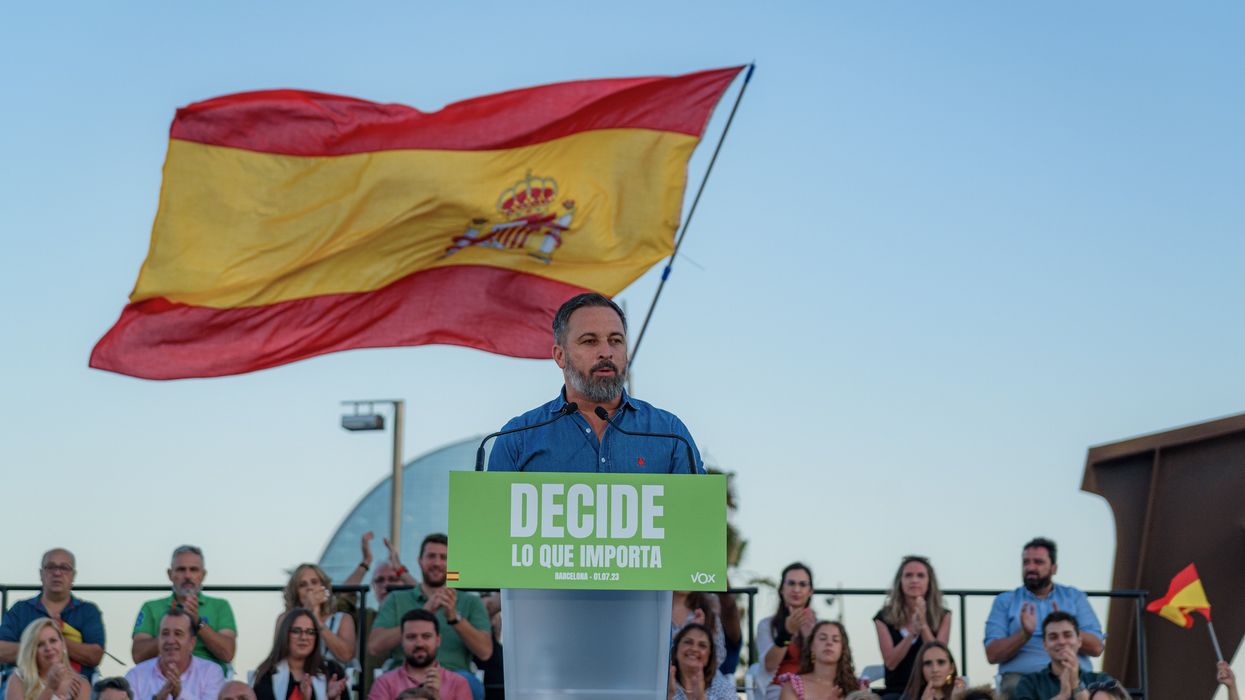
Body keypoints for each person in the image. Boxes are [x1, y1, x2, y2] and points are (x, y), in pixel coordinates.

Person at [487, 292, 703, 474]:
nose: (606, 353)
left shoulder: (670, 434)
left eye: (615, 341)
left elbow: (697, 517)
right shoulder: (517, 439)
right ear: (560, 356)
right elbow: (491, 521)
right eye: (590, 341)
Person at [368, 535, 489, 700]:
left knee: (467, 682)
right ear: (419, 561)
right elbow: (374, 646)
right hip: (404, 678)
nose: (437, 563)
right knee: (384, 683)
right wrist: (424, 613)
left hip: (453, 680)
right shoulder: (396, 599)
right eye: (431, 556)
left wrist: (455, 618)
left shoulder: (470, 602)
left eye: (444, 557)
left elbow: (485, 652)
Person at [983, 538, 1102, 698]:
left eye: (1038, 562)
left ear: (1054, 568)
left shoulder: (1074, 597)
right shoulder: (1005, 601)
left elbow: (1096, 647)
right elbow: (992, 655)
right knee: (1015, 689)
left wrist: (1066, 629)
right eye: (1026, 562)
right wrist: (1024, 634)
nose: (1030, 567)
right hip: (1021, 679)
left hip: (1072, 673)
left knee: (1102, 690)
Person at [0, 549, 105, 685]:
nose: (57, 573)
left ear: (73, 575)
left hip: (74, 687)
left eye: (64, 568)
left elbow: (94, 656)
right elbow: (2, 651)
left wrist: (54, 640)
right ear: (41, 574)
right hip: (24, 685)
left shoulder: (88, 611)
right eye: (50, 567)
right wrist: (42, 643)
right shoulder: (20, 610)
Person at [133, 546, 237, 675]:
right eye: (181, 570)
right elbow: (138, 655)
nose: (187, 576)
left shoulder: (220, 606)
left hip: (209, 680)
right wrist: (169, 634)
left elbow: (227, 653)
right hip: (159, 678)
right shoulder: (151, 607)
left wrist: (197, 622)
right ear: (170, 574)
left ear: (203, 575)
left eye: (193, 570)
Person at [874, 556, 951, 699]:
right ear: (900, 581)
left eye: (920, 575)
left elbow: (939, 654)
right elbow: (890, 663)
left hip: (933, 688)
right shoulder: (884, 617)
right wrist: (911, 634)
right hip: (897, 691)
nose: (914, 580)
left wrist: (923, 626)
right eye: (908, 575)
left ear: (929, 582)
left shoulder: (943, 615)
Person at [125, 609, 225, 700]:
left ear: (192, 643)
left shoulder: (211, 673)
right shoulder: (136, 676)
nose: (170, 640)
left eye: (178, 633)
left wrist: (180, 694)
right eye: (165, 633)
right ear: (158, 640)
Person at [1012, 612, 1116, 700]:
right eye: (1053, 637)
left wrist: (1076, 684)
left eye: (1067, 635)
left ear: (1079, 641)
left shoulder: (1101, 680)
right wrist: (1062, 696)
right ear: (1045, 645)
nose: (1061, 641)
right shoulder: (1030, 682)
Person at [369, 611, 470, 700]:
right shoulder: (384, 683)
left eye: (426, 636)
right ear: (402, 641)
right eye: (411, 637)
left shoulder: (457, 683)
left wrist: (436, 697)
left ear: (438, 640)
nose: (419, 643)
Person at [252, 608, 348, 700]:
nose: (304, 637)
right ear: (285, 635)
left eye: (310, 632)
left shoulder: (332, 671)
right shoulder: (266, 675)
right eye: (296, 631)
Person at [757, 563, 817, 700]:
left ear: (810, 591)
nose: (796, 589)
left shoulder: (820, 626)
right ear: (781, 589)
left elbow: (824, 666)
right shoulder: (766, 625)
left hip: (813, 689)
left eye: (802, 584)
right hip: (778, 690)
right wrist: (787, 633)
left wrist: (810, 638)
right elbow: (769, 665)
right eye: (791, 583)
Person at [283, 564, 356, 665]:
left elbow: (346, 655)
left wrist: (317, 619)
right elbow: (282, 655)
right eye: (302, 585)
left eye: (314, 582)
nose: (309, 588)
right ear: (295, 592)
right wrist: (306, 612)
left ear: (324, 588)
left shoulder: (343, 619)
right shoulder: (284, 619)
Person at [3, 619, 88, 700]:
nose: (48, 648)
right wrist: (50, 688)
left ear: (62, 644)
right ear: (31, 651)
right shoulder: (19, 679)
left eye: (53, 641)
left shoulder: (80, 684)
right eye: (40, 644)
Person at [777, 620, 859, 700]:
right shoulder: (793, 686)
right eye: (822, 638)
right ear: (811, 646)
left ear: (843, 649)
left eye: (835, 640)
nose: (829, 643)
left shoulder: (856, 687)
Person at [667, 624, 735, 700]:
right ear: (676, 649)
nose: (694, 648)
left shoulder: (723, 688)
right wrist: (669, 694)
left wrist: (700, 698)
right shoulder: (662, 682)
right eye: (688, 642)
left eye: (702, 645)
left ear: (710, 655)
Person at [900, 642, 965, 700]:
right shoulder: (908, 697)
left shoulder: (964, 695)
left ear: (951, 668)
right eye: (928, 663)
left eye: (941, 662)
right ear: (921, 669)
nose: (935, 669)